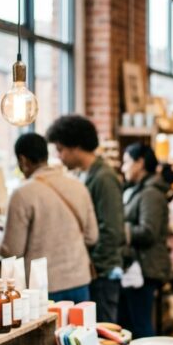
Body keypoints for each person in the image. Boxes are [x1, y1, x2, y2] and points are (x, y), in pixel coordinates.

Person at [0, 133, 99, 303]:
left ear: (23, 160)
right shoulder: (78, 186)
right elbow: (92, 237)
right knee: (81, 322)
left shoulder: (22, 194)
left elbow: (12, 250)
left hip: (44, 286)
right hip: (80, 281)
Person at [46, 115, 124, 322]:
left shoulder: (104, 178)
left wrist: (93, 265)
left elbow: (112, 230)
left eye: (61, 149)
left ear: (76, 147)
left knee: (102, 332)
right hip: (93, 271)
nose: (59, 156)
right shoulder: (85, 175)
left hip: (102, 273)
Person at [118, 142, 172, 338]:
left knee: (140, 325)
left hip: (145, 267)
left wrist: (121, 229)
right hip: (139, 266)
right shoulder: (140, 190)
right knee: (133, 323)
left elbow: (149, 231)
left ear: (140, 163)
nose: (123, 168)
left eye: (126, 162)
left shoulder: (150, 193)